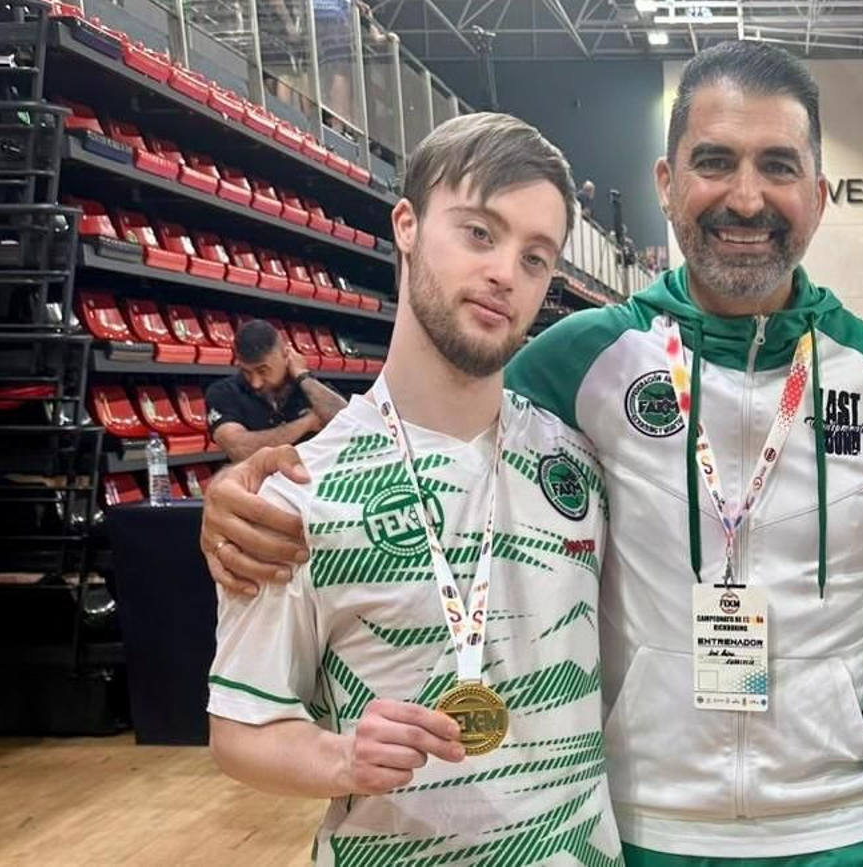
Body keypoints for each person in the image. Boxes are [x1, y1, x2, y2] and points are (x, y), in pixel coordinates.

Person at [198, 40, 863, 866]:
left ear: (819, 193)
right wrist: (248, 487)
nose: (746, 196)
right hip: (638, 825)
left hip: (844, 826)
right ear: (667, 181)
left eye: (778, 166)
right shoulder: (578, 359)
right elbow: (436, 425)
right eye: (715, 161)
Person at [206, 113, 621, 863]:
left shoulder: (582, 466)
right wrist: (340, 758)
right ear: (407, 224)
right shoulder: (296, 492)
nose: (506, 273)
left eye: (535, 258)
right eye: (479, 233)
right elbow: (240, 727)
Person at [206, 320, 347, 463]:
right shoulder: (223, 392)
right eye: (246, 372)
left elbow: (349, 425)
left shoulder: (310, 388)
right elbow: (240, 450)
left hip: (310, 475)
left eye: (263, 371)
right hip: (258, 478)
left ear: (286, 356)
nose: (255, 383)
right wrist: (306, 423)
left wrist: (302, 375)